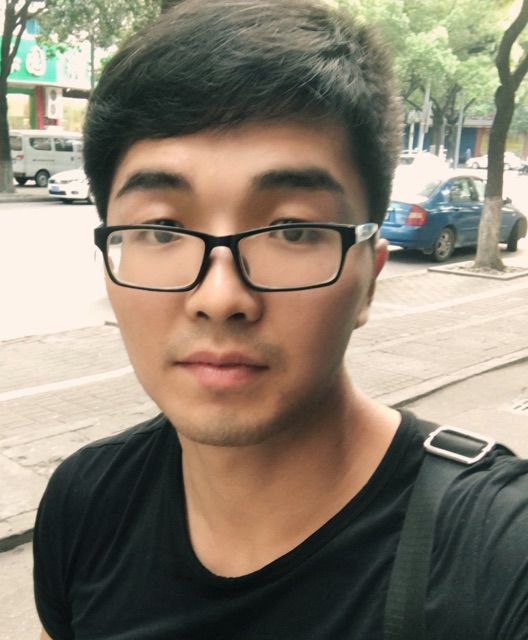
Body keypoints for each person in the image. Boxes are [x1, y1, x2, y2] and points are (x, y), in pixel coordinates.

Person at [33, 2, 528, 639]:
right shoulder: (86, 503)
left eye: (292, 229)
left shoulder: (495, 555)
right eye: (161, 228)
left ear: (370, 277)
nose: (219, 297)